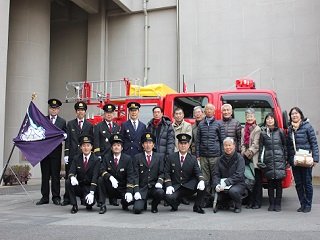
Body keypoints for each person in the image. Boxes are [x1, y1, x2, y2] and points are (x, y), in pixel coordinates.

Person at [164, 133, 206, 214]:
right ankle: (175, 205)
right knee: (167, 196)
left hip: (188, 186)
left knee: (204, 183)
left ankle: (198, 206)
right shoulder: (171, 157)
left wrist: (201, 180)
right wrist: (168, 185)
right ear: (178, 144)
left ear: (188, 145)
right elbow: (167, 172)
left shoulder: (193, 159)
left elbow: (198, 172)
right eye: (181, 143)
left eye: (185, 143)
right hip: (176, 186)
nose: (183, 146)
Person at [287, 107, 319, 213]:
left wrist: (315, 159)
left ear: (301, 115)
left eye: (296, 113)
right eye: (292, 114)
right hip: (295, 161)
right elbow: (289, 146)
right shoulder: (290, 128)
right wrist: (288, 159)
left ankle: (308, 204)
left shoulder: (307, 127)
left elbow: (314, 143)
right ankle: (302, 203)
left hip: (306, 159)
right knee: (299, 184)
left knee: (307, 182)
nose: (294, 115)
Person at [62, 101, 93, 206]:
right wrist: (66, 153)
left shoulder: (89, 125)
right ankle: (67, 198)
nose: (81, 112)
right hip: (72, 154)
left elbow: (90, 141)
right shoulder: (70, 124)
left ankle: (83, 195)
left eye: (83, 110)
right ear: (76, 112)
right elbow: (68, 140)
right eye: (79, 110)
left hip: (84, 154)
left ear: (85, 112)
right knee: (69, 177)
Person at [36, 99, 67, 206]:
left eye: (56, 108)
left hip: (55, 152)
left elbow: (65, 135)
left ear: (58, 110)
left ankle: (56, 197)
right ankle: (44, 197)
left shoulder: (62, 122)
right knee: (45, 175)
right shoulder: (43, 120)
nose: (53, 110)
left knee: (55, 175)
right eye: (52, 108)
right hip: (44, 152)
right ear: (49, 109)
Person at [196, 103, 225, 206]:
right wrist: (198, 155)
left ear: (214, 111)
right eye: (207, 109)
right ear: (204, 111)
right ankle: (207, 199)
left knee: (215, 178)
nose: (208, 111)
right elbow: (198, 141)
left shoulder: (218, 124)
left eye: (211, 109)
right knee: (205, 179)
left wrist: (222, 155)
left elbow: (222, 141)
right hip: (203, 156)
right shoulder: (201, 124)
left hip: (215, 155)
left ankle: (215, 199)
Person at [97, 134, 135, 214]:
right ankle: (102, 204)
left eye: (118, 145)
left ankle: (124, 204)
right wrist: (110, 177)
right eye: (114, 145)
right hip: (111, 187)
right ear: (111, 148)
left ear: (122, 148)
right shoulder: (107, 157)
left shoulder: (127, 159)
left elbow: (130, 175)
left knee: (131, 200)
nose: (116, 147)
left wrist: (129, 191)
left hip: (122, 187)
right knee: (100, 180)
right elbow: (101, 170)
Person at [258, 112, 287, 212]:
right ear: (265, 121)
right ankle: (271, 204)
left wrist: (285, 159)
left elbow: (285, 146)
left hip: (279, 161)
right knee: (270, 184)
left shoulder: (280, 131)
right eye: (267, 118)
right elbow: (261, 148)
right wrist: (260, 161)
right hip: (268, 161)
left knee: (279, 184)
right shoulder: (263, 133)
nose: (269, 120)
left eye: (271, 118)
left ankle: (278, 204)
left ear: (275, 120)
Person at [93, 103, 120, 206]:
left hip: (113, 156)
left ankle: (113, 199)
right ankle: (101, 199)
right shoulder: (98, 126)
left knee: (113, 176)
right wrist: (98, 154)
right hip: (103, 155)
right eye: (107, 113)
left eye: (111, 113)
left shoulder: (117, 127)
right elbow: (96, 141)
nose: (109, 115)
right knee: (101, 178)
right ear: (104, 114)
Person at [65, 135, 100, 214]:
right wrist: (72, 177)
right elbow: (71, 171)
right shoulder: (76, 158)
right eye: (83, 146)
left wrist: (92, 192)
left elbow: (95, 176)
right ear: (80, 147)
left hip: (89, 187)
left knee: (89, 204)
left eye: (88, 146)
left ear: (91, 147)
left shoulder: (96, 160)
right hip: (80, 186)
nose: (86, 148)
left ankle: (87, 201)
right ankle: (74, 205)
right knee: (68, 182)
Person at [132, 132, 165, 214]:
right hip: (142, 188)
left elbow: (162, 172)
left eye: (150, 143)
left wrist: (160, 182)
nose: (148, 145)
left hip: (154, 187)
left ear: (153, 145)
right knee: (137, 210)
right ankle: (143, 204)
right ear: (143, 145)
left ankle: (154, 205)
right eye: (146, 143)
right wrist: (136, 190)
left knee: (160, 192)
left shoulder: (159, 157)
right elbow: (135, 175)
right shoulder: (137, 157)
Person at [213, 137, 246, 213]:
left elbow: (239, 174)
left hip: (238, 183)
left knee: (233, 191)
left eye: (230, 145)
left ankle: (238, 205)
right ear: (223, 147)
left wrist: (227, 182)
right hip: (223, 185)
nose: (228, 147)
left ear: (234, 146)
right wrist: (216, 184)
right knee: (213, 196)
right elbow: (216, 174)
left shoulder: (239, 158)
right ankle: (227, 202)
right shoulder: (220, 159)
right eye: (226, 145)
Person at [240, 108, 261, 209]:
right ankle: (250, 201)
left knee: (257, 182)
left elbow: (256, 145)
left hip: (254, 158)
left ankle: (257, 202)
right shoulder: (244, 129)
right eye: (247, 116)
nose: (249, 118)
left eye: (251, 116)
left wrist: (247, 153)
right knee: (249, 181)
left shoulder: (257, 129)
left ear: (254, 117)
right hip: (246, 158)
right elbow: (242, 143)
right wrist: (243, 152)